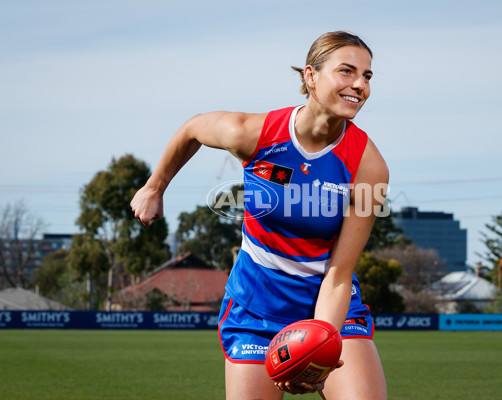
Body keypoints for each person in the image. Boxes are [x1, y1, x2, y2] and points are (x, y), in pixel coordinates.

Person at [131, 31, 388, 400]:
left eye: (367, 76)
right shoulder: (255, 134)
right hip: (256, 307)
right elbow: (193, 128)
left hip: (330, 305)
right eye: (347, 71)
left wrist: (320, 349)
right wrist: (154, 187)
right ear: (310, 76)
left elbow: (339, 273)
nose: (359, 85)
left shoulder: (370, 167)